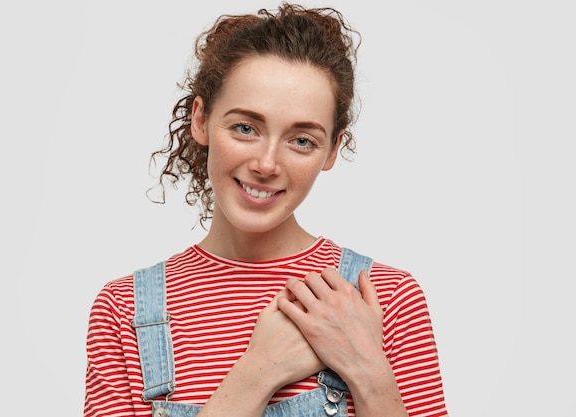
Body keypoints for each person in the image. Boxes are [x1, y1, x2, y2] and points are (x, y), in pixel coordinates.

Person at [84, 3, 448, 417]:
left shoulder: (386, 298)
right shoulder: (125, 310)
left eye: (302, 140)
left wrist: (368, 370)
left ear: (331, 149)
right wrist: (257, 372)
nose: (267, 164)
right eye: (245, 128)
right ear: (200, 120)